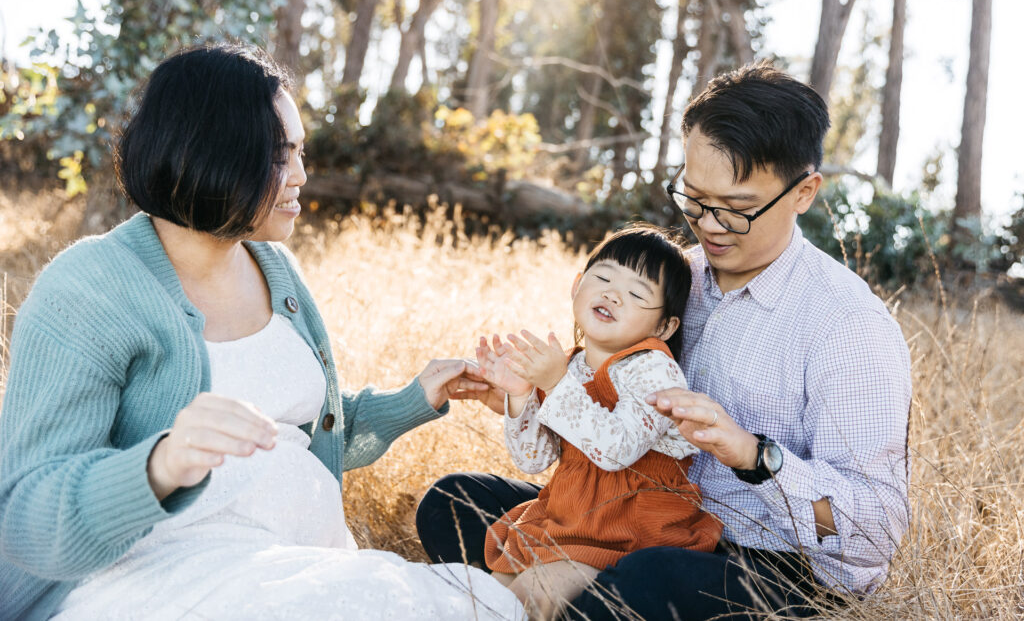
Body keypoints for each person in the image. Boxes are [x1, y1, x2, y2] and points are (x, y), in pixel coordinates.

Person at [0, 43, 522, 621]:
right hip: (155, 583)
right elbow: (26, 514)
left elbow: (295, 437)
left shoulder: (277, 271)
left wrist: (412, 400)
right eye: (280, 155)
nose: (301, 174)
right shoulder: (90, 288)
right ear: (211, 153)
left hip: (301, 564)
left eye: (300, 151)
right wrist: (160, 466)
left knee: (466, 606)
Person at [416, 62, 913, 619]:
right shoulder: (673, 280)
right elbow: (600, 403)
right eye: (694, 199)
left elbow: (876, 531)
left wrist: (754, 455)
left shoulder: (848, 325)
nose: (711, 225)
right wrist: (530, 398)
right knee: (451, 504)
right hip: (631, 515)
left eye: (739, 209)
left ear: (804, 193)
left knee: (647, 581)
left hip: (767, 561)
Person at [472, 227, 722, 619]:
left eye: (637, 293)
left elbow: (615, 450)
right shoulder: (571, 365)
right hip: (570, 516)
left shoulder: (654, 369)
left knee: (525, 602)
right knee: (488, 593)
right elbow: (534, 459)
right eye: (603, 277)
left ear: (664, 327)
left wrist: (555, 384)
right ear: (577, 286)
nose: (612, 294)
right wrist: (521, 394)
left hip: (629, 528)